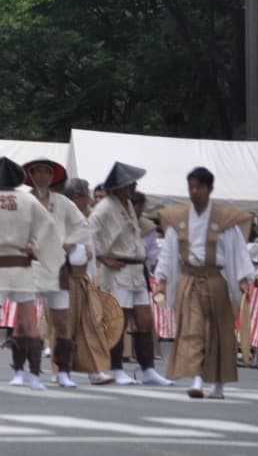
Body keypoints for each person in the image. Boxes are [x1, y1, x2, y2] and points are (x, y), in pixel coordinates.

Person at [0, 157, 63, 391]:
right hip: (22, 264)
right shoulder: (28, 199)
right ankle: (36, 377)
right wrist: (36, 248)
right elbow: (48, 225)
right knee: (29, 321)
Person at [155, 166, 253, 399]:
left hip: (215, 279)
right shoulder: (178, 218)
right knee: (193, 329)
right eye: (191, 187)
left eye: (199, 187)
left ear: (210, 189)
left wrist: (242, 278)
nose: (194, 191)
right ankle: (197, 378)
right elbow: (169, 251)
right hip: (189, 279)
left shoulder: (224, 219)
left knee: (218, 332)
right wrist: (161, 278)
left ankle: (217, 383)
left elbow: (238, 251)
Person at [89, 161, 173, 386]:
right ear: (119, 186)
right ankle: (115, 368)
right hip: (118, 269)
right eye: (130, 184)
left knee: (144, 320)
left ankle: (148, 370)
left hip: (136, 269)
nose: (134, 187)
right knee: (119, 320)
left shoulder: (126, 204)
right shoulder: (105, 206)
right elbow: (89, 232)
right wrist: (102, 257)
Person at [24, 158, 92, 388]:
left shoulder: (63, 202)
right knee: (24, 321)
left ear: (52, 177)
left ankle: (63, 371)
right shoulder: (23, 200)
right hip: (29, 264)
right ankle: (29, 371)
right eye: (37, 172)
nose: (42, 176)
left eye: (46, 172)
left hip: (57, 266)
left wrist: (69, 242)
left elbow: (83, 226)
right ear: (31, 175)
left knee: (62, 321)